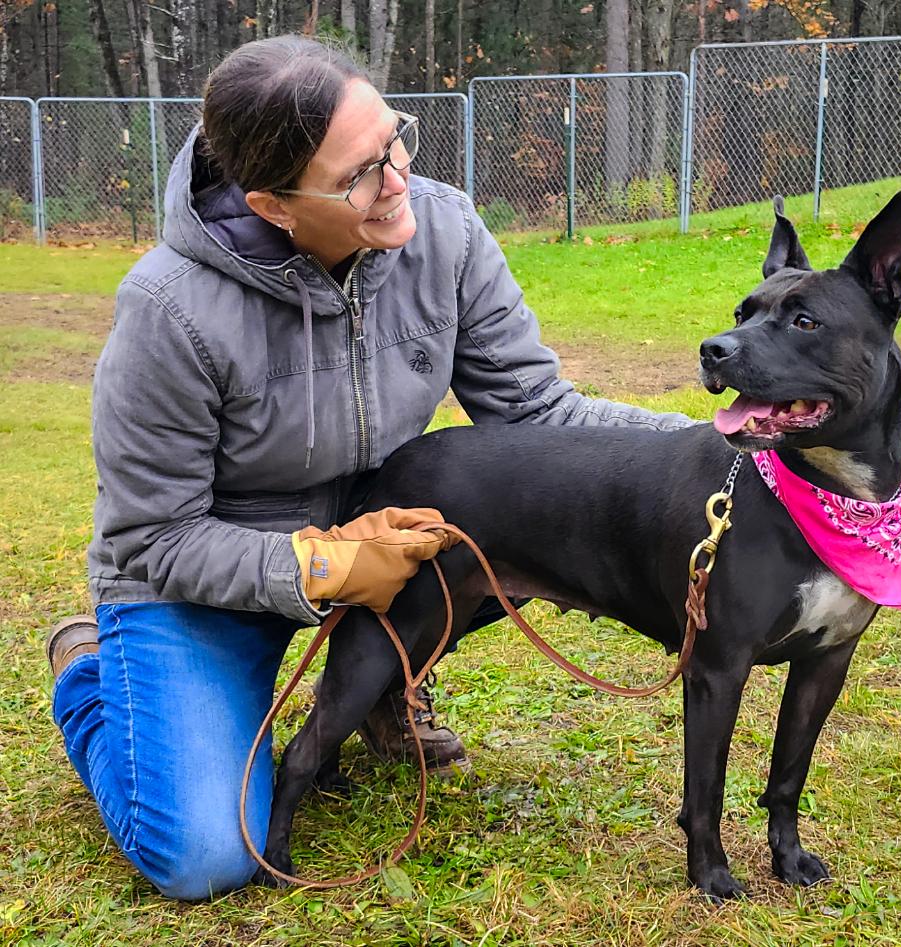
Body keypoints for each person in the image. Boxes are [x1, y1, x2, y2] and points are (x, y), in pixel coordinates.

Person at [46, 35, 692, 901]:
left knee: (535, 517)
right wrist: (323, 563)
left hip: (381, 551)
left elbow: (540, 417)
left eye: (396, 142)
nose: (399, 182)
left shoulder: (446, 230)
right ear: (274, 203)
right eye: (361, 173)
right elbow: (153, 535)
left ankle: (386, 682)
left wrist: (723, 454)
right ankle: (90, 676)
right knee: (204, 853)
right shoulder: (167, 308)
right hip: (202, 583)